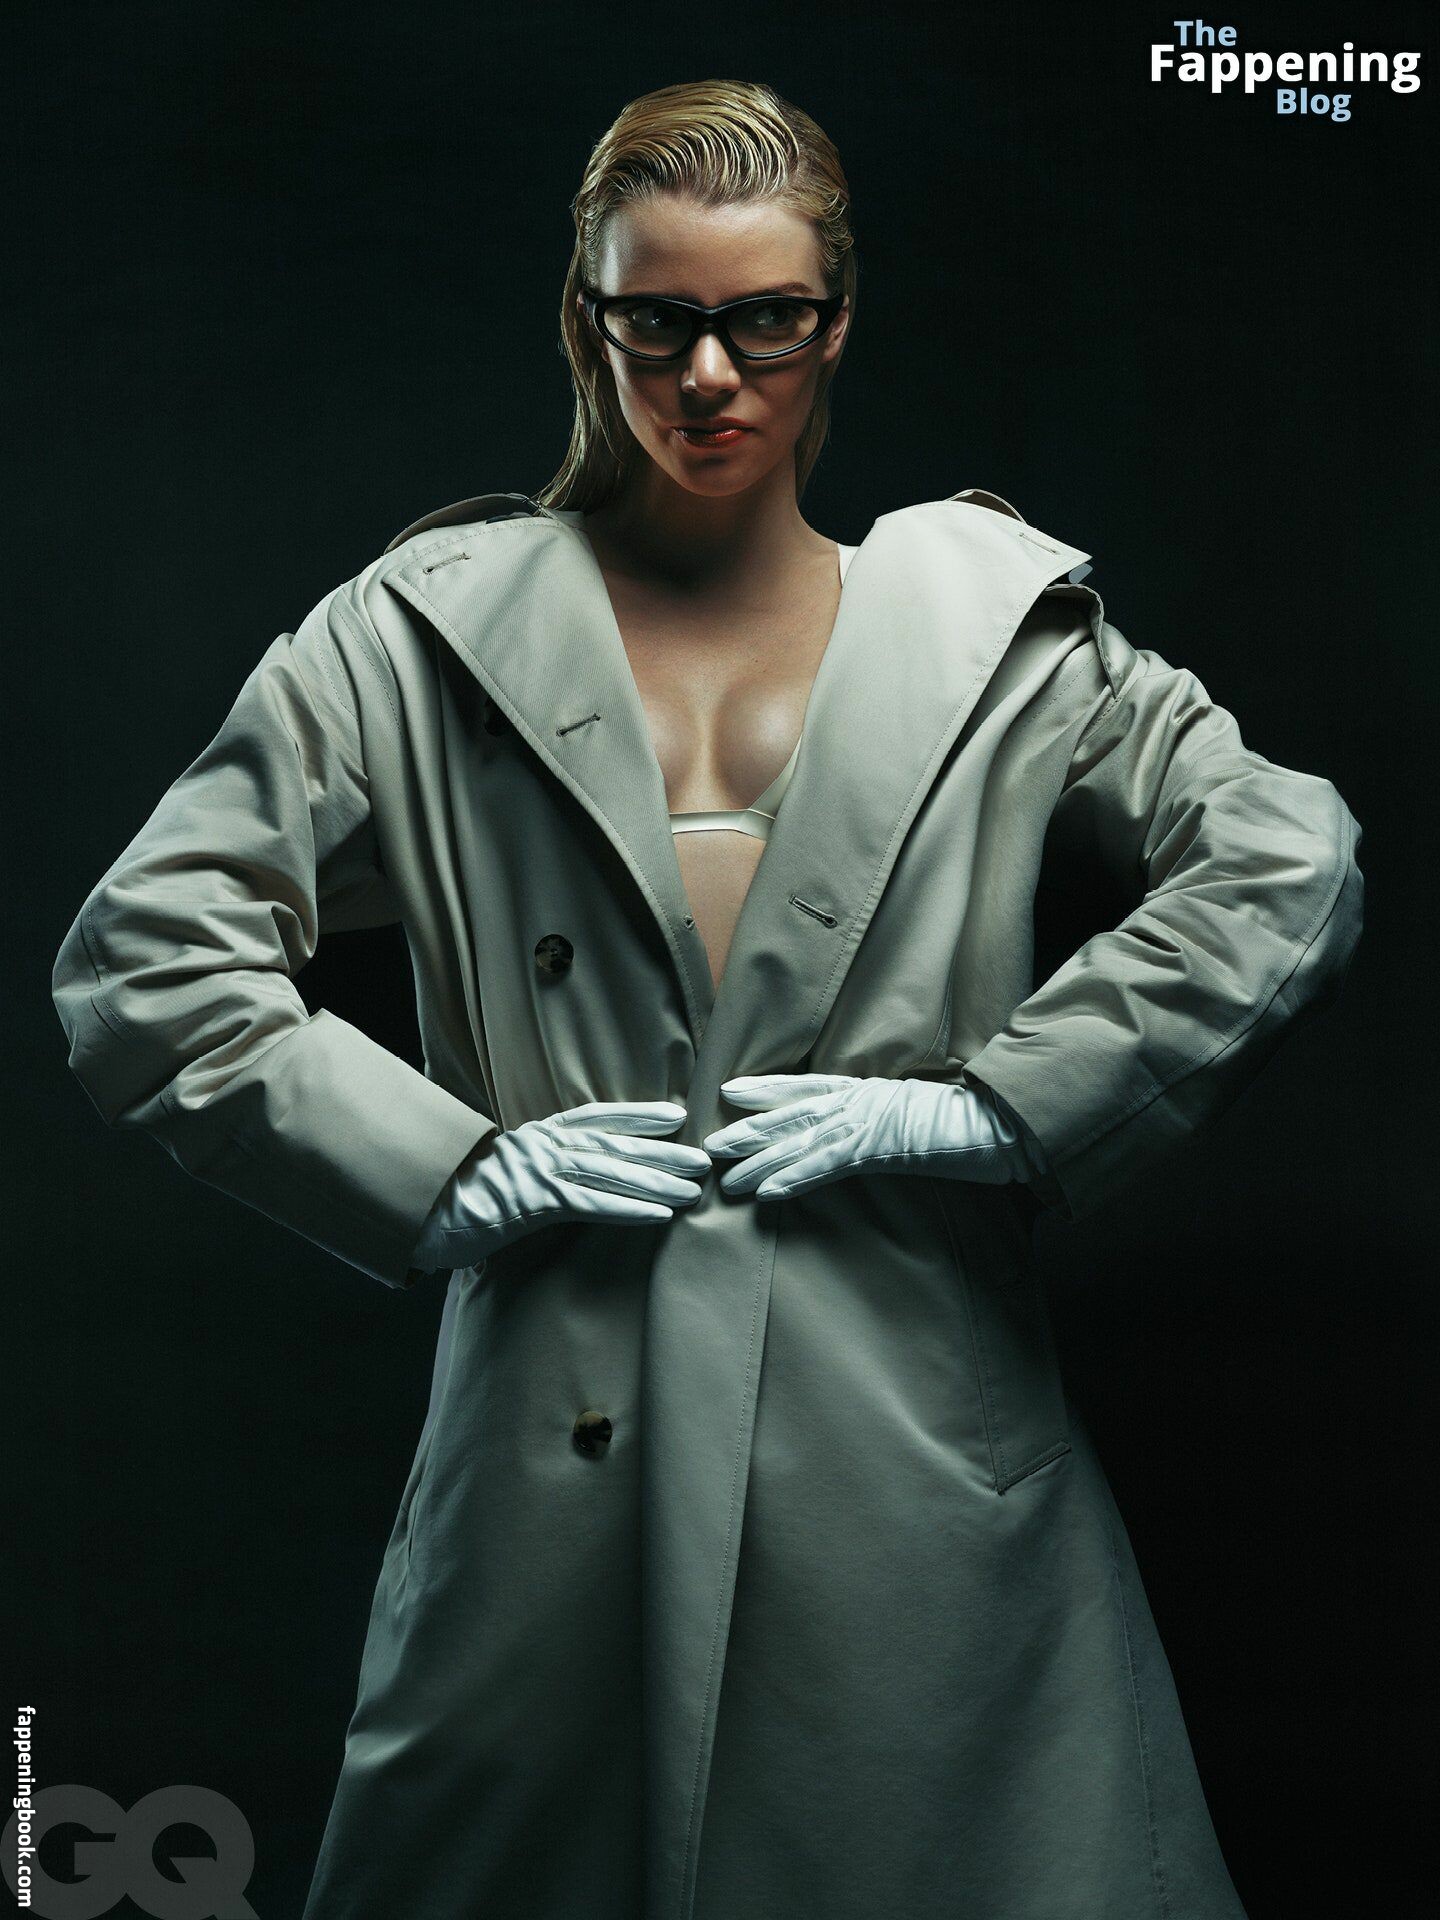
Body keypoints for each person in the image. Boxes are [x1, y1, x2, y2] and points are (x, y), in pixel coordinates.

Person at [51, 78, 1364, 1920]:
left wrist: (992, 1106)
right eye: (655, 321)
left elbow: (1286, 856)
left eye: (768, 321)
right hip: (552, 1443)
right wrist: (447, 1166)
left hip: (912, 1430)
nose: (710, 377)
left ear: (839, 322)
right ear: (584, 320)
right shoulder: (415, 633)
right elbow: (145, 959)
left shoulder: (994, 629)